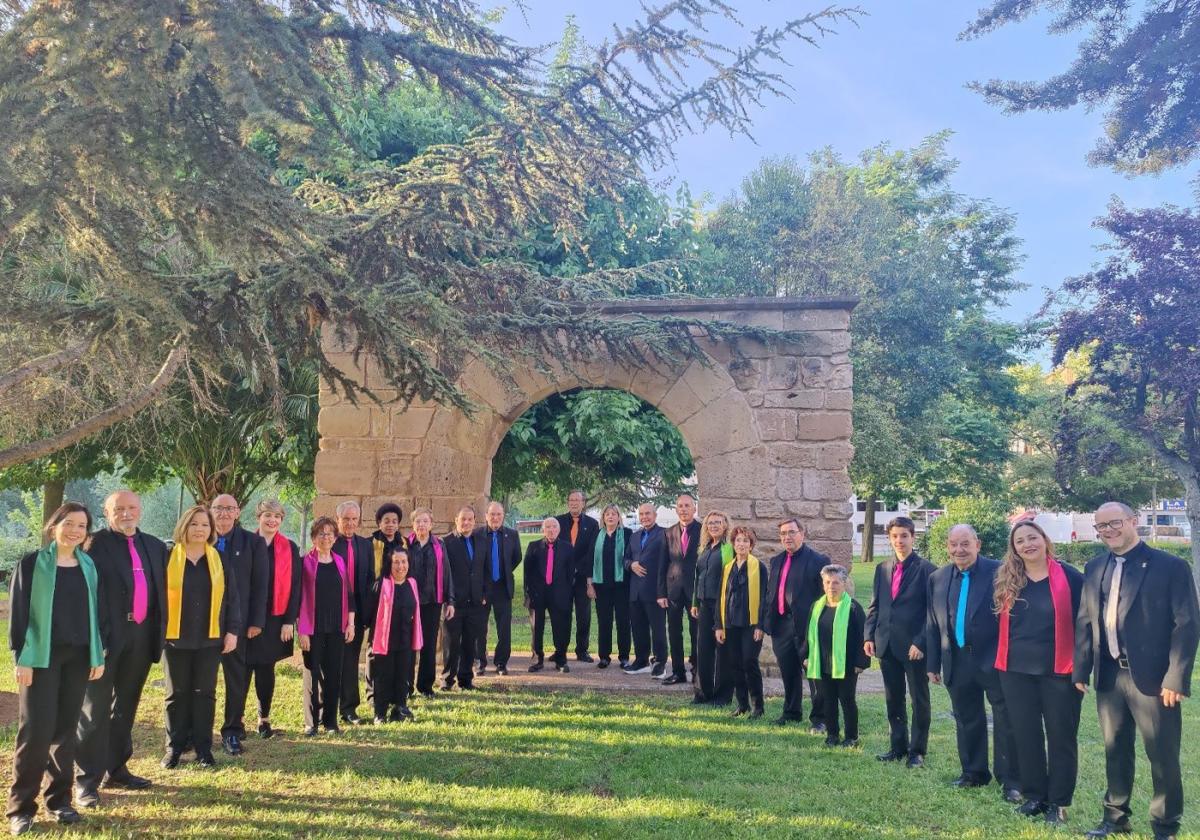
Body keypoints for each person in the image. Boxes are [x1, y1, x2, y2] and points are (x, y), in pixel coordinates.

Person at [1075, 502, 1200, 840]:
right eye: (1100, 526)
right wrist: (1080, 669)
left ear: (1134, 521)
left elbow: (1186, 624)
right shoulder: (1094, 565)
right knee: (1115, 748)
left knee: (1161, 755)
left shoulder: (1171, 566)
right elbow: (1086, 621)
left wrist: (1176, 677)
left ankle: (1165, 825)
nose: (1107, 531)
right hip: (1109, 676)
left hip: (1155, 681)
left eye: (1114, 523)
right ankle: (1115, 819)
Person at [7, 503, 107, 836]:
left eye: (83, 525)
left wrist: (97, 655)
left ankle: (60, 801)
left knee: (65, 733)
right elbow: (19, 613)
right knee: (36, 732)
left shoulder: (89, 566)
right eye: (69, 523)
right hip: (41, 658)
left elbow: (96, 614)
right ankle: (21, 808)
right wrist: (21, 657)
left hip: (78, 658)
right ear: (54, 526)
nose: (76, 530)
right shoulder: (33, 564)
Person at [74, 491, 165, 808]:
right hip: (105, 639)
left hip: (141, 636)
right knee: (94, 711)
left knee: (125, 707)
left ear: (140, 510)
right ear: (107, 512)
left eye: (132, 508)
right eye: (119, 509)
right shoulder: (93, 545)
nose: (127, 514)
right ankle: (86, 780)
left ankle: (117, 768)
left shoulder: (154, 546)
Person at [994, 518, 1084, 826]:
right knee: (1026, 735)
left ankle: (1058, 803)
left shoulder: (1071, 577)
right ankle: (1035, 795)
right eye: (1020, 541)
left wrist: (1083, 669)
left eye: (1032, 538)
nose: (1027, 544)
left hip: (1059, 672)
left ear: (1044, 539)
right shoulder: (1008, 579)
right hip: (1015, 671)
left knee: (1061, 738)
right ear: (1014, 549)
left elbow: (1086, 628)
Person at [926, 524, 1019, 802]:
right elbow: (933, 623)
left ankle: (1011, 780)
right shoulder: (938, 578)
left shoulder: (999, 571)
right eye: (953, 544)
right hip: (956, 659)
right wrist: (933, 664)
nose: (959, 550)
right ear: (947, 546)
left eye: (965, 544)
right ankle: (973, 773)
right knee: (966, 718)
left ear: (977, 544)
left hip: (994, 659)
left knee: (1005, 720)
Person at [160, 505, 240, 771]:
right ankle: (174, 748)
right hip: (175, 638)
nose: (199, 529)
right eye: (194, 524)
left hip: (210, 638)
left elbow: (232, 599)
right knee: (176, 694)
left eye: (205, 525)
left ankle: (204, 749)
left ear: (211, 530)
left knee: (205, 693)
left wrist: (232, 631)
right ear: (184, 526)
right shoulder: (169, 557)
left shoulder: (219, 559)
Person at [865, 516, 934, 768]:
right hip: (886, 645)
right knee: (893, 698)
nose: (899, 541)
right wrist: (869, 635)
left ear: (913, 537)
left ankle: (917, 751)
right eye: (894, 536)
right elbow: (875, 606)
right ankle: (897, 746)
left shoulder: (927, 570)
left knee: (919, 699)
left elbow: (932, 613)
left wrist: (921, 642)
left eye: (904, 536)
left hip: (914, 648)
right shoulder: (882, 569)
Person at [210, 493, 268, 757]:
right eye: (218, 508)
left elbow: (260, 584)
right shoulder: (200, 538)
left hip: (238, 623)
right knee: (201, 680)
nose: (223, 514)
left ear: (237, 512)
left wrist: (256, 621)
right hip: (204, 624)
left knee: (236, 680)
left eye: (229, 509)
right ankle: (196, 731)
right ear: (210, 511)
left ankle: (232, 730)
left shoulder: (253, 543)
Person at [764, 518, 828, 730]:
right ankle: (791, 712)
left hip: (807, 627)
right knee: (788, 671)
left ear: (802, 533)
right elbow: (771, 594)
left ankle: (819, 719)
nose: (787, 537)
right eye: (783, 533)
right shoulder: (776, 561)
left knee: (814, 674)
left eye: (791, 532)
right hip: (781, 626)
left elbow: (825, 597)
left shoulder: (818, 561)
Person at [246, 499, 301, 739]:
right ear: (258, 516)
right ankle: (236, 719)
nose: (272, 520)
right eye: (268, 515)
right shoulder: (247, 543)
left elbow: (296, 586)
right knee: (242, 668)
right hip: (248, 617)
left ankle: (263, 719)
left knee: (266, 668)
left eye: (277, 517)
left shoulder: (290, 547)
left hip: (276, 618)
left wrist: (290, 620)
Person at [298, 517, 355, 737]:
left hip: (337, 627)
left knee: (334, 673)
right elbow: (299, 598)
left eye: (330, 533)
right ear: (314, 538)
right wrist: (302, 629)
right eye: (321, 533)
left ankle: (330, 721)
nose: (326, 537)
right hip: (313, 627)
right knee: (312, 674)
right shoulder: (305, 563)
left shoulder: (340, 561)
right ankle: (311, 722)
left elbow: (349, 595)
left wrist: (350, 623)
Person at [801, 564, 869, 747]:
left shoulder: (853, 608)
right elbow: (808, 633)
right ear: (823, 584)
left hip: (846, 664)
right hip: (822, 662)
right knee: (828, 701)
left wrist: (860, 662)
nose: (832, 586)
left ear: (844, 584)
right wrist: (806, 656)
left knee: (847, 700)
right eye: (828, 582)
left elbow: (863, 636)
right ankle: (832, 735)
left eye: (836, 582)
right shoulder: (817, 607)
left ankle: (851, 737)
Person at [714, 525, 767, 718]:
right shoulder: (728, 567)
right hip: (730, 624)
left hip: (750, 624)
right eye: (738, 540)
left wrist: (760, 625)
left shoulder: (758, 567)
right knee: (735, 664)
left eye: (746, 540)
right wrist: (719, 625)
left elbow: (764, 598)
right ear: (733, 544)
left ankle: (758, 706)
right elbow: (721, 596)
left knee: (749, 662)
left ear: (751, 545)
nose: (741, 544)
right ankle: (742, 704)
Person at [366, 548, 420, 723]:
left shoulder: (412, 583)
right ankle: (380, 713)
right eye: (396, 562)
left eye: (404, 562)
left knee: (402, 674)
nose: (400, 566)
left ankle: (400, 709)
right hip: (385, 640)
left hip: (405, 638)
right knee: (383, 676)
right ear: (389, 564)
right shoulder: (381, 585)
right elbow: (369, 613)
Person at [333, 501, 374, 725]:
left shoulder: (365, 545)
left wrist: (364, 615)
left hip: (356, 614)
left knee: (350, 661)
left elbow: (369, 580)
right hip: (332, 613)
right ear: (338, 519)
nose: (350, 523)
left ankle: (348, 708)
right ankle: (326, 706)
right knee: (330, 662)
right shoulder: (330, 542)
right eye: (346, 519)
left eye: (353, 519)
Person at [407, 508, 454, 697]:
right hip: (410, 602)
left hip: (433, 601)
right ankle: (406, 686)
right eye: (418, 521)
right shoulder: (406, 544)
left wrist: (450, 601)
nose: (421, 525)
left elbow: (447, 573)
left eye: (425, 521)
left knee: (428, 644)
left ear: (431, 524)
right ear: (413, 525)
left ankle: (425, 686)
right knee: (409, 645)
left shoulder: (439, 545)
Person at [442, 506, 488, 691]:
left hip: (476, 602)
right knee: (451, 643)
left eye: (470, 519)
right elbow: (444, 574)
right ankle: (447, 680)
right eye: (463, 519)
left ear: (474, 521)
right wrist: (448, 599)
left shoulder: (481, 541)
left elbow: (486, 570)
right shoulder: (446, 542)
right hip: (454, 603)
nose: (466, 522)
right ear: (456, 520)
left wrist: (485, 594)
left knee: (470, 643)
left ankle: (466, 680)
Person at [691, 510, 734, 706]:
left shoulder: (729, 548)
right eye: (710, 523)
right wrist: (694, 602)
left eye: (718, 522)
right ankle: (702, 693)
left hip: (722, 605)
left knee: (722, 650)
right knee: (703, 649)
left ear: (725, 525)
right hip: (704, 603)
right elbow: (697, 577)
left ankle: (722, 696)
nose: (714, 526)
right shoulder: (704, 548)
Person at [660, 493, 701, 686]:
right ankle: (678, 672)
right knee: (674, 633)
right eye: (680, 506)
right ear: (676, 510)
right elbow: (663, 564)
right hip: (673, 590)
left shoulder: (703, 531)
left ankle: (697, 670)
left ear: (694, 508)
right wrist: (661, 593)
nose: (684, 509)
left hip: (695, 591)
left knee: (697, 633)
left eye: (687, 506)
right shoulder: (668, 533)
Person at [476, 501, 521, 676]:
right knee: (480, 627)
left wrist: (503, 572)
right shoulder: (477, 535)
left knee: (504, 628)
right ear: (486, 516)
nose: (495, 518)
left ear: (503, 516)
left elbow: (516, 557)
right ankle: (480, 661)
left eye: (499, 515)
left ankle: (501, 662)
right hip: (482, 588)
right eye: (492, 514)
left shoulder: (512, 535)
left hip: (503, 588)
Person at [524, 518, 575, 673]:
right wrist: (529, 594)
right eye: (548, 527)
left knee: (561, 628)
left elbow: (570, 574)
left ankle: (561, 659)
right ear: (543, 530)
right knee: (536, 628)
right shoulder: (533, 547)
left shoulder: (567, 548)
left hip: (559, 594)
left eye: (554, 527)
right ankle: (537, 659)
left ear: (558, 530)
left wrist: (566, 595)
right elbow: (528, 573)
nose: (551, 530)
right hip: (538, 595)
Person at [368, 502, 405, 709]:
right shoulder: (371, 543)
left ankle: (396, 693)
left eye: (394, 521)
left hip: (400, 603)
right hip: (378, 603)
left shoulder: (404, 543)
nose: (390, 525)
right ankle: (373, 693)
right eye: (386, 521)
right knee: (375, 649)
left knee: (397, 648)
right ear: (379, 523)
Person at [624, 502, 668, 676]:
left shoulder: (664, 534)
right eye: (641, 514)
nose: (644, 517)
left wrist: (662, 592)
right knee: (638, 628)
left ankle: (660, 663)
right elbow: (625, 558)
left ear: (655, 515)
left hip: (655, 591)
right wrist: (631, 564)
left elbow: (667, 563)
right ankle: (641, 661)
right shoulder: (634, 536)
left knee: (657, 630)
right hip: (635, 591)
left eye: (648, 514)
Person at [556, 490, 599, 663]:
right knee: (562, 615)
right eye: (571, 500)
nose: (574, 503)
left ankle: (582, 650)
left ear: (583, 503)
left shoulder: (592, 523)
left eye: (577, 500)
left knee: (584, 615)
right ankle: (561, 650)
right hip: (562, 578)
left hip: (583, 577)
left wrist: (583, 573)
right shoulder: (558, 521)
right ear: (568, 502)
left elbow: (592, 552)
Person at [588, 505, 632, 669]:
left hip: (622, 587)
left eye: (614, 514)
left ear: (619, 517)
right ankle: (604, 657)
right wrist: (589, 584)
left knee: (623, 622)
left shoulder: (627, 534)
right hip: (601, 586)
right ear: (603, 518)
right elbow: (589, 560)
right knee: (604, 622)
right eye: (607, 514)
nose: (611, 517)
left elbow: (631, 556)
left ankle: (624, 657)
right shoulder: (596, 535)